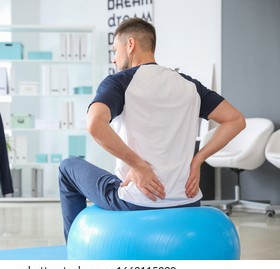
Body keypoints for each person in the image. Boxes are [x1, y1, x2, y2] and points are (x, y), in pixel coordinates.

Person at [58, 18, 245, 241]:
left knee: (67, 167)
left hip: (137, 201)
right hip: (188, 200)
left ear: (130, 44)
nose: (114, 59)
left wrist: (137, 165)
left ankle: (72, 248)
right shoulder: (189, 85)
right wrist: (198, 160)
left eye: (115, 50)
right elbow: (236, 120)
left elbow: (95, 123)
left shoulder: (119, 82)